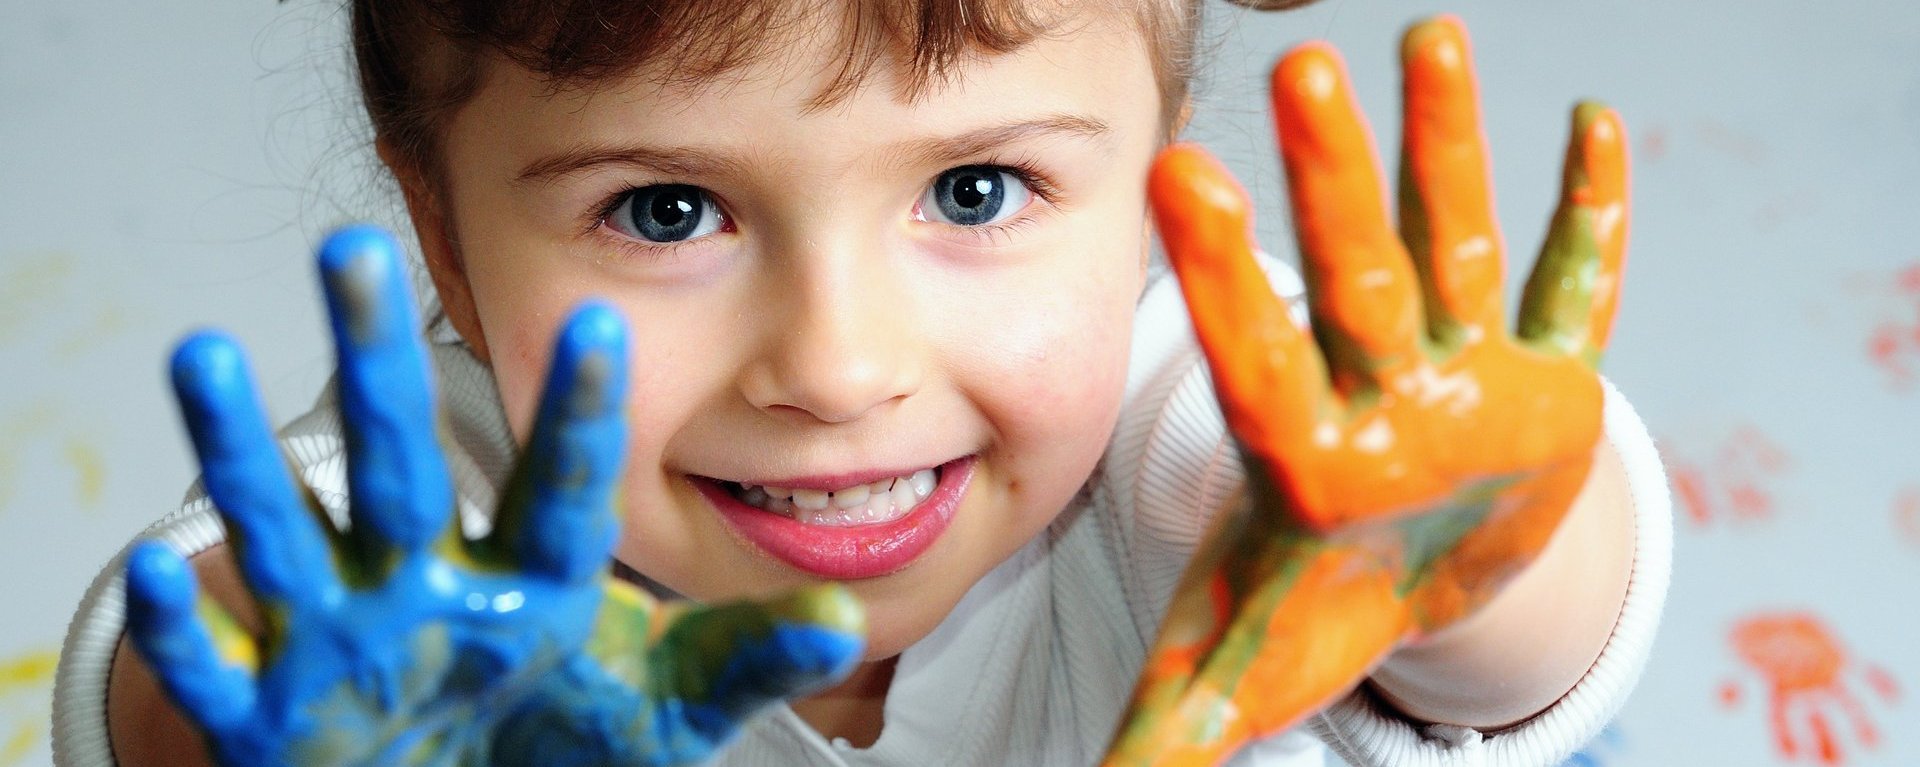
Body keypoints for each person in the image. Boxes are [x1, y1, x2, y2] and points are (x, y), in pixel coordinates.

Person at [53, 0, 1672, 765]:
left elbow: (1515, 660)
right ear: (447, 241)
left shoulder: (1219, 439)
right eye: (666, 211)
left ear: (1150, 198)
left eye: (976, 193)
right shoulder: (459, 528)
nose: (836, 369)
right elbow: (204, 637)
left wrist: (1485, 553)